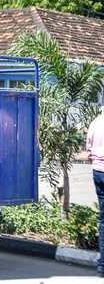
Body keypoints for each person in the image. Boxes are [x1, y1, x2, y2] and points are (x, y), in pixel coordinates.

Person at [86, 111, 104, 278]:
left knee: (103, 219)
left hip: (98, 171)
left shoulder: (96, 122)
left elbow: (88, 148)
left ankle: (102, 266)